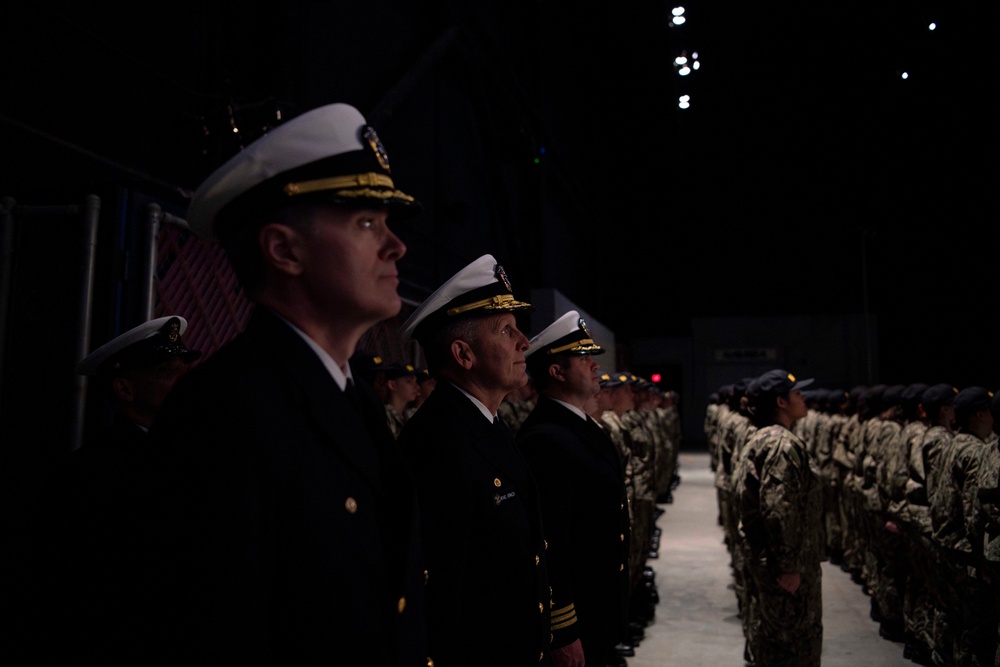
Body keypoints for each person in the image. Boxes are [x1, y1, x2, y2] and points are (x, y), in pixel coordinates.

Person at [145, 103, 428, 665]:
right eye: (366, 223)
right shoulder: (225, 413)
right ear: (283, 251)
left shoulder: (349, 400)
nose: (396, 246)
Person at [396, 254, 551, 667]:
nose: (525, 342)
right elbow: (441, 595)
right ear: (463, 355)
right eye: (506, 330)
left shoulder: (484, 424)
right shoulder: (439, 444)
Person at [516, 311, 631, 667]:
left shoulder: (579, 426)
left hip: (598, 606)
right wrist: (562, 629)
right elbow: (550, 543)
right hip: (578, 614)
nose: (596, 366)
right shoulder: (546, 439)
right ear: (556, 371)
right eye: (584, 359)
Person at [734, 369, 824, 667]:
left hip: (772, 563)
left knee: (775, 643)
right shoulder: (780, 445)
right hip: (783, 570)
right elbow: (777, 509)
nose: (804, 398)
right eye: (797, 393)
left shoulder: (765, 438)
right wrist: (787, 566)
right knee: (791, 648)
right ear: (780, 402)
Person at [381, 362, 420, 438]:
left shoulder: (409, 415)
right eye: (409, 381)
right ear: (392, 385)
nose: (416, 387)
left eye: (416, 382)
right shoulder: (383, 415)